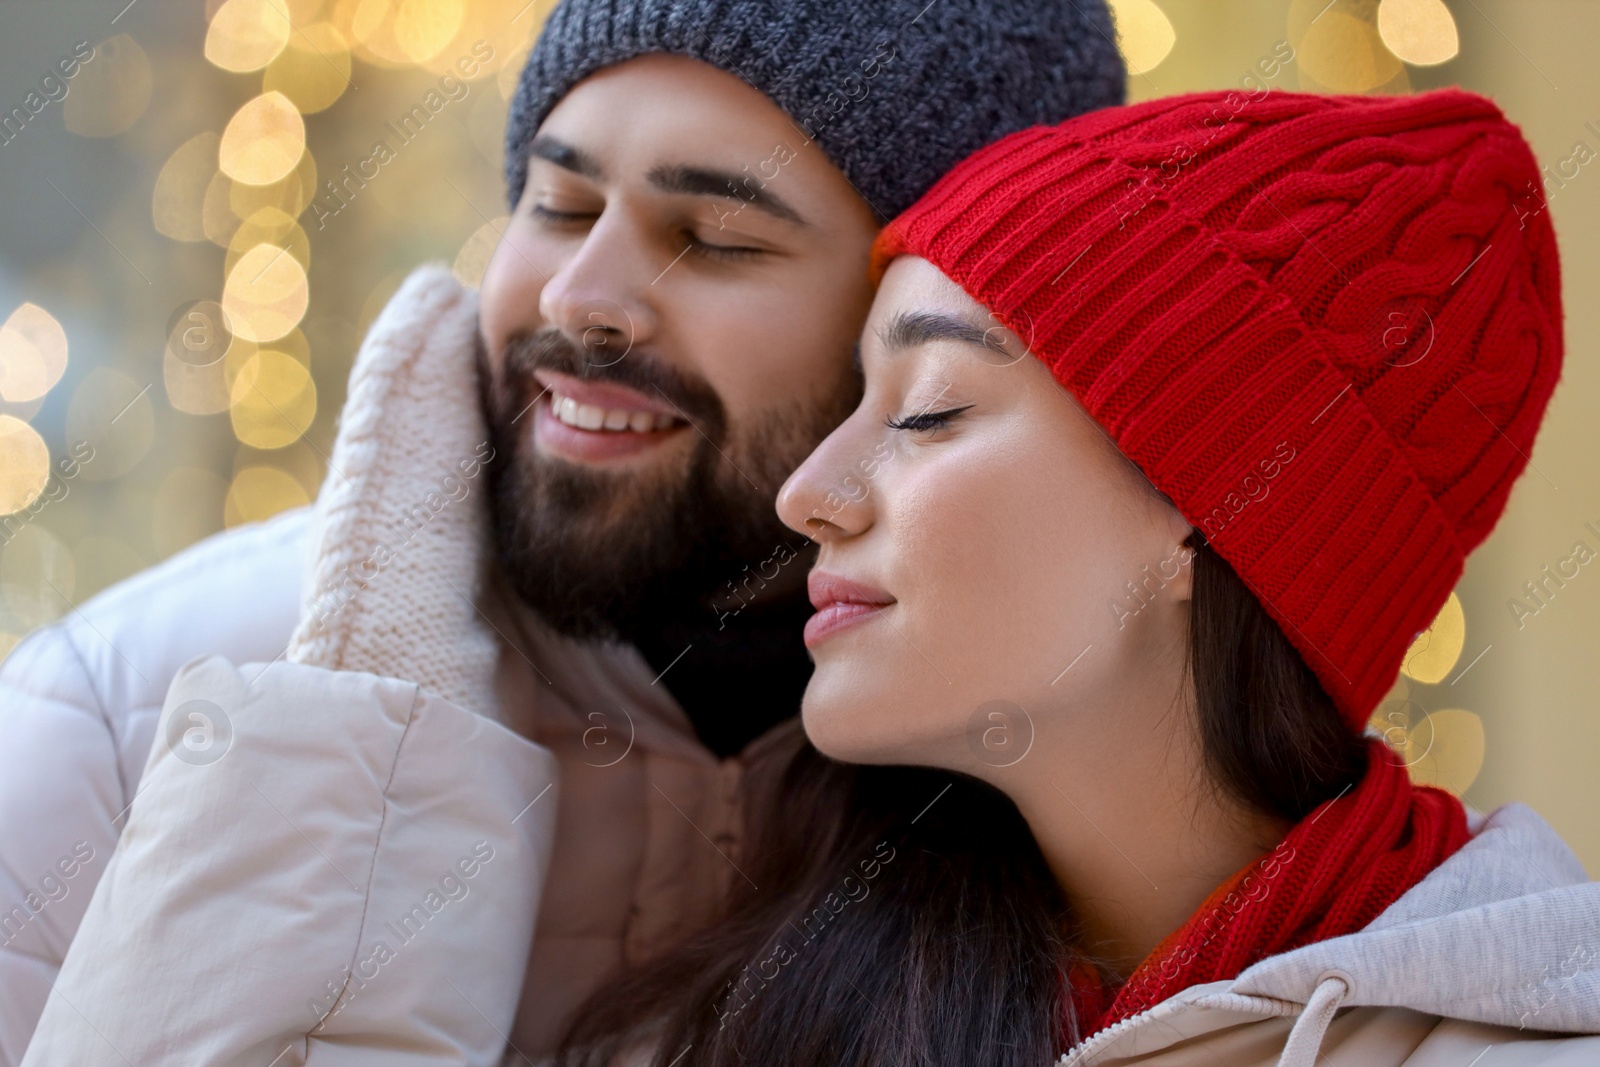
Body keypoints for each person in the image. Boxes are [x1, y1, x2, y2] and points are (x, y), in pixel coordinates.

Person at [0, 1, 1125, 1063]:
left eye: (719, 236)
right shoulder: (119, 714)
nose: (582, 297)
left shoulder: (1089, 756)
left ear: (932, 324)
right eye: (560, 206)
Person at [551, 88, 1600, 1066]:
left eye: (928, 411)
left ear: (1214, 510)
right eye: (853, 400)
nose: (808, 491)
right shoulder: (766, 987)